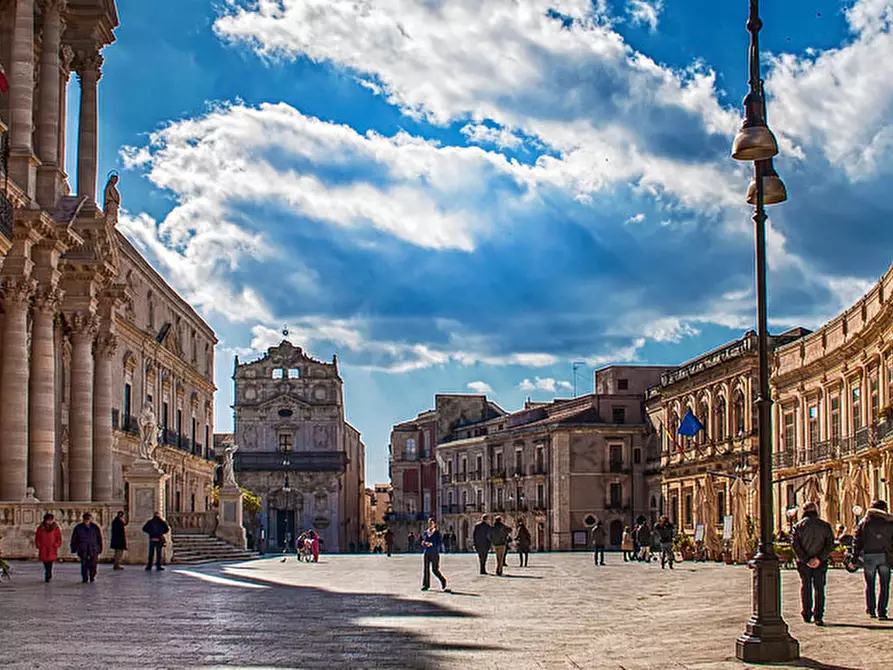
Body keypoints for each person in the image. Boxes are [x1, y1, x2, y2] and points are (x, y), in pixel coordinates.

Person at [791, 501, 834, 625]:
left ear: (803, 511)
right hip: (821, 562)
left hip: (804, 563)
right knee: (819, 588)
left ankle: (806, 613)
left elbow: (795, 545)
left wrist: (806, 559)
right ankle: (818, 615)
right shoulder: (825, 526)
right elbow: (830, 544)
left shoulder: (798, 526)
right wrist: (819, 558)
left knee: (806, 586)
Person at [853, 500, 893, 621]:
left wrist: (855, 556)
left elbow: (857, 540)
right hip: (885, 555)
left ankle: (871, 609)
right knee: (885, 584)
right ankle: (882, 611)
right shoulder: (889, 522)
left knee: (870, 584)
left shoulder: (864, 522)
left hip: (869, 555)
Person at [70, 512, 103, 583]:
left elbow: (99, 538)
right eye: (86, 519)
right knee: (84, 564)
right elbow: (74, 539)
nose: (87, 520)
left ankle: (92, 576)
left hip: (93, 548)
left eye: (88, 519)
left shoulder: (95, 527)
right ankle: (84, 577)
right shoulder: (78, 527)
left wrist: (100, 548)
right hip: (83, 548)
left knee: (93, 564)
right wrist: (73, 549)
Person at [420, 518, 450, 592]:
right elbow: (422, 541)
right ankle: (425, 585)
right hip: (426, 552)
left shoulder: (437, 533)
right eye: (429, 523)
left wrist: (432, 544)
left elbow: (439, 542)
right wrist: (424, 543)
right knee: (426, 569)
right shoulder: (425, 533)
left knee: (435, 570)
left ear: (434, 524)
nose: (430, 524)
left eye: (432, 523)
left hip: (434, 553)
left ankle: (443, 580)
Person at [35, 513, 62, 583]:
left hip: (52, 547)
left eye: (51, 520)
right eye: (48, 520)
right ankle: (47, 572)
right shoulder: (41, 528)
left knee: (50, 562)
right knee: (45, 562)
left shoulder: (55, 527)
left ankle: (48, 574)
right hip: (44, 547)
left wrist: (57, 544)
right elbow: (37, 537)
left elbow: (58, 537)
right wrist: (38, 545)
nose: (50, 521)